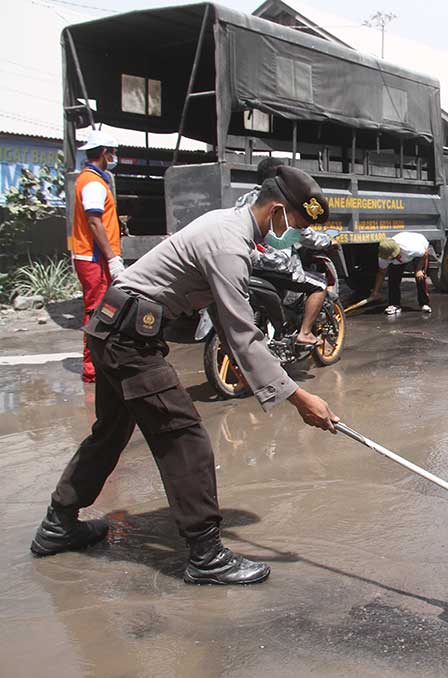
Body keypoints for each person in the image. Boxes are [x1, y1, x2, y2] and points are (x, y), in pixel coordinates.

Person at [30, 165, 339, 585]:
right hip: (128, 341)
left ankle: (58, 524)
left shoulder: (226, 226)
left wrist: (258, 378)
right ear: (279, 210)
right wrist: (300, 399)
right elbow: (243, 334)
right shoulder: (229, 245)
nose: (295, 234)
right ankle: (206, 553)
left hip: (111, 329)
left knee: (111, 433)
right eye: (297, 224)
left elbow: (225, 321)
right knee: (184, 436)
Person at [243, 157, 332, 346]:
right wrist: (329, 241)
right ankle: (305, 333)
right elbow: (306, 235)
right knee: (320, 286)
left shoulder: (244, 199)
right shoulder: (283, 203)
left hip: (249, 262)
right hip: (277, 265)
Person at [70, 129, 124, 383]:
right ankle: (93, 368)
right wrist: (112, 257)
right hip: (94, 258)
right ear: (104, 153)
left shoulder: (91, 179)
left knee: (101, 310)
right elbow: (94, 222)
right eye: (112, 153)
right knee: (96, 312)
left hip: (91, 256)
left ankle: (98, 362)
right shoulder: (93, 182)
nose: (114, 157)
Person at [369, 232, 432, 315]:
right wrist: (375, 292)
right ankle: (394, 304)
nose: (395, 258)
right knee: (393, 279)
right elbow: (381, 273)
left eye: (396, 255)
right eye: (392, 257)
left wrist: (419, 269)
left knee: (420, 277)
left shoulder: (410, 249)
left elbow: (425, 253)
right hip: (407, 253)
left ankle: (424, 303)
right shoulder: (383, 257)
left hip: (420, 251)